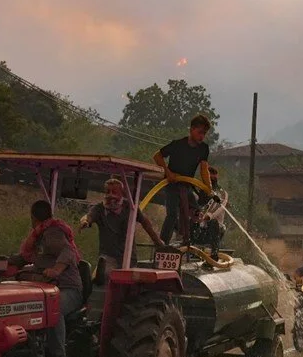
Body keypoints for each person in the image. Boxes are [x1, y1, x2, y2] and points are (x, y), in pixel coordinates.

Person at [16, 200, 83, 357]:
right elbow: (25, 257)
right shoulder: (39, 236)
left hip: (68, 289)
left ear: (33, 218)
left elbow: (68, 251)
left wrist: (57, 269)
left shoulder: (53, 232)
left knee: (55, 308)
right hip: (46, 288)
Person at [79, 177, 163, 282]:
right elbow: (89, 216)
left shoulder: (130, 208)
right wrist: (85, 221)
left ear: (121, 194)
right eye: (107, 192)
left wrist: (158, 242)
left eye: (114, 192)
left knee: (126, 281)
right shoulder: (99, 209)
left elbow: (146, 223)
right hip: (108, 255)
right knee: (107, 275)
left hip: (128, 256)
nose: (110, 195)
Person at [152, 114, 213, 245]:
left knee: (197, 213)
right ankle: (162, 245)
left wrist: (209, 188)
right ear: (191, 130)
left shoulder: (204, 148)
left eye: (204, 133)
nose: (202, 136)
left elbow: (204, 169)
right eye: (200, 132)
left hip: (187, 186)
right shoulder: (177, 144)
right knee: (172, 215)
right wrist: (168, 172)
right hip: (172, 184)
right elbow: (157, 156)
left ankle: (190, 242)